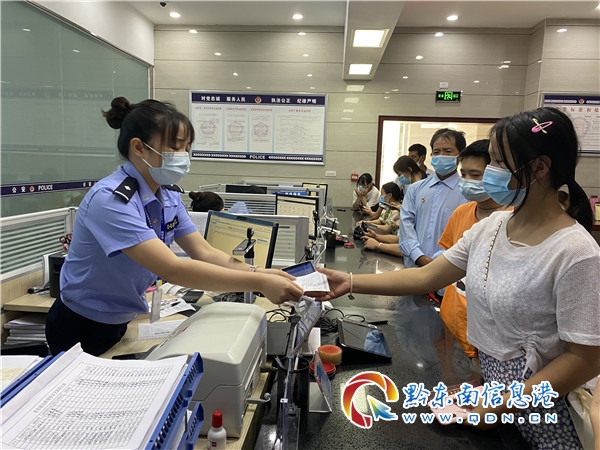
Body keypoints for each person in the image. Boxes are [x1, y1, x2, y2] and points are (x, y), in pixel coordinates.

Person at [311, 107, 599, 449]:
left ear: (539, 167)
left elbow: (585, 359)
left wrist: (504, 403)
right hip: (497, 398)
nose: (489, 172)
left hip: (547, 412)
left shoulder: (576, 252)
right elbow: (427, 276)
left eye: (499, 162)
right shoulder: (492, 228)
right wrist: (350, 281)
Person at [45, 97, 303, 357]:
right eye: (175, 147)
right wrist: (259, 282)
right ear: (139, 147)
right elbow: (172, 268)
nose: (183, 156)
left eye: (186, 148)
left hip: (119, 319)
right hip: (80, 324)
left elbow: (204, 252)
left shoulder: (167, 195)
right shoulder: (112, 200)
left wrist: (260, 272)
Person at [437, 139, 510, 365]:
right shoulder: (461, 212)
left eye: (475, 175)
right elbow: (447, 268)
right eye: (464, 174)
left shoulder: (514, 219)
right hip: (452, 323)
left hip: (487, 339)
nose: (467, 181)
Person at [399, 128, 468, 269]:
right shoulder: (415, 189)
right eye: (436, 152)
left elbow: (466, 234)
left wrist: (440, 261)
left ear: (460, 156)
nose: (441, 156)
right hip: (414, 269)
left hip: (450, 270)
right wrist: (418, 256)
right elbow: (406, 225)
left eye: (447, 151)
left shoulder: (467, 192)